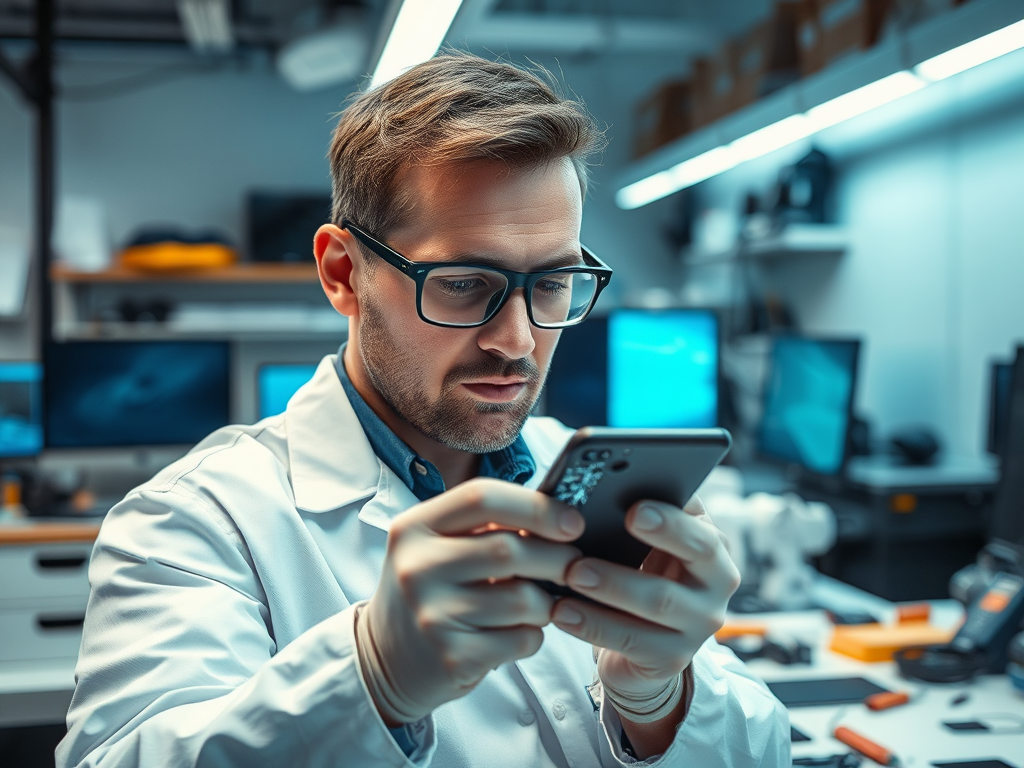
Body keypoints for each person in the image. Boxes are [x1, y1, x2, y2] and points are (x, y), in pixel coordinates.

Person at [57, 53, 789, 767]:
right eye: (466, 284)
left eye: (555, 283)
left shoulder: (588, 476)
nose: (518, 341)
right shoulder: (192, 522)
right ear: (344, 274)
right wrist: (368, 680)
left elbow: (765, 751)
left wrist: (658, 701)